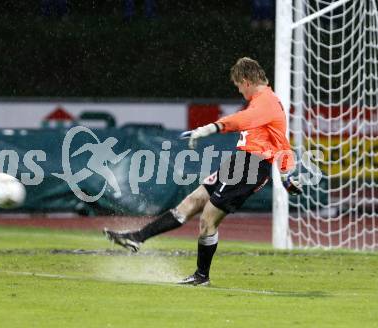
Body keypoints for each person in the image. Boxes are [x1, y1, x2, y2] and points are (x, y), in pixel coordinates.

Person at [104, 57, 302, 286]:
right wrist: (287, 176)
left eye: (238, 86)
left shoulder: (266, 101)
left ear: (246, 81)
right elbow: (282, 144)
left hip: (250, 166)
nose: (239, 91)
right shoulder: (263, 102)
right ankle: (136, 238)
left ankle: (201, 276)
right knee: (192, 201)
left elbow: (242, 120)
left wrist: (210, 128)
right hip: (239, 162)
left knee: (208, 218)